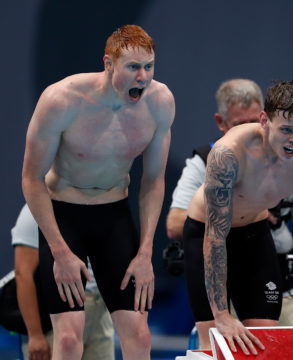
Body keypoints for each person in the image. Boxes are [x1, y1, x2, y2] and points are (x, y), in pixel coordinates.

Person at [21, 24, 175, 360]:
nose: (143, 77)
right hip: (64, 217)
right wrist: (60, 252)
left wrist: (146, 252)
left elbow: (153, 181)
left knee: (139, 335)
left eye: (149, 67)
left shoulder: (160, 103)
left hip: (114, 218)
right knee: (68, 341)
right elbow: (31, 179)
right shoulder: (61, 100)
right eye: (133, 67)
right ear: (108, 64)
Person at [185, 81, 293, 355]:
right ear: (264, 120)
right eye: (286, 130)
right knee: (215, 346)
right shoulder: (229, 153)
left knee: (262, 344)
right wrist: (222, 314)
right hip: (207, 234)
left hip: (254, 235)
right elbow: (215, 236)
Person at [166, 79, 293, 348]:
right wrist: (238, 208)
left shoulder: (287, 152)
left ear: (265, 119)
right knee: (215, 344)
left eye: (252, 121)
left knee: (267, 345)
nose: (247, 130)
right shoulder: (210, 159)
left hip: (264, 255)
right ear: (221, 122)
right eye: (237, 124)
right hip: (213, 250)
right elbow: (175, 224)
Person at [12, 204, 115, 360]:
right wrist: (35, 334)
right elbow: (23, 275)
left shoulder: (97, 202)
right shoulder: (33, 212)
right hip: (56, 315)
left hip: (100, 310)